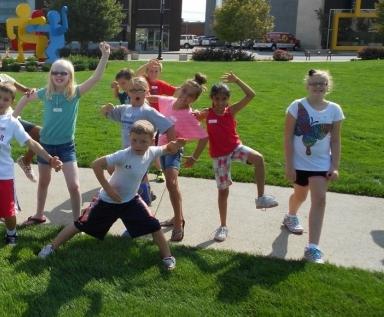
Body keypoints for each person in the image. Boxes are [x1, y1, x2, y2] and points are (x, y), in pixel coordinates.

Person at [38, 120, 185, 270]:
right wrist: (108, 189)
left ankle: (167, 256)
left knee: (154, 225)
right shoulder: (123, 155)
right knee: (80, 224)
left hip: (130, 201)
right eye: (134, 140)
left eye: (143, 141)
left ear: (152, 140)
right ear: (130, 137)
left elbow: (166, 148)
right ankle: (51, 247)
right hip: (107, 201)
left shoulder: (152, 152)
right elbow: (96, 164)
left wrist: (173, 146)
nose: (138, 145)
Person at [13, 42, 111, 225]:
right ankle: (39, 215)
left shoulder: (74, 93)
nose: (59, 75)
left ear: (70, 76)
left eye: (63, 73)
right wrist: (12, 119)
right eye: (55, 72)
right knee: (43, 183)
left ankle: (76, 222)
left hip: (66, 147)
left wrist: (105, 56)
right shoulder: (45, 93)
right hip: (45, 146)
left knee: (74, 186)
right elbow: (25, 98)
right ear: (50, 75)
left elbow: (95, 78)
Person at [195, 72, 278, 242]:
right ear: (212, 98)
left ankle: (261, 198)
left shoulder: (230, 111)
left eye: (224, 99)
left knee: (259, 159)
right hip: (219, 156)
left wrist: (237, 80)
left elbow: (251, 95)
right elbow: (190, 118)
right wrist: (194, 115)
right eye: (217, 99)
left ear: (228, 100)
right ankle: (223, 226)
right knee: (223, 191)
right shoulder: (206, 114)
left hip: (235, 148)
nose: (220, 103)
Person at [284, 69, 344, 263]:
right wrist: (289, 165)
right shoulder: (297, 106)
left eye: (322, 83)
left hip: (321, 164)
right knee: (300, 195)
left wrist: (334, 166)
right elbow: (288, 137)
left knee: (319, 200)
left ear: (328, 87)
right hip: (299, 163)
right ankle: (291, 215)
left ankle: (313, 247)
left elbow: (335, 140)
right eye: (314, 83)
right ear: (307, 86)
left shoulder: (334, 109)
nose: (318, 86)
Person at [147, 73, 209, 242]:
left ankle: (178, 223)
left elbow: (204, 138)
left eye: (190, 95)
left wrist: (194, 158)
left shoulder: (189, 116)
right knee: (170, 184)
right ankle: (176, 217)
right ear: (180, 90)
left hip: (174, 152)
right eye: (183, 92)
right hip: (161, 149)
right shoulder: (169, 102)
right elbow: (149, 97)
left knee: (172, 184)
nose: (184, 97)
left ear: (193, 99)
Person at [0, 83, 62, 245]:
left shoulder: (12, 123)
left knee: (7, 211)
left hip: (3, 174)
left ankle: (11, 233)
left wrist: (49, 159)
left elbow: (32, 144)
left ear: (11, 102)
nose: (1, 102)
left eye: (5, 99)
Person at [135, 59, 178, 183]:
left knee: (152, 144)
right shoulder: (144, 81)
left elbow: (176, 91)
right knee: (144, 144)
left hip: (156, 120)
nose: (153, 73)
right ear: (147, 71)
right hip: (142, 117)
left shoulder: (161, 84)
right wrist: (146, 65)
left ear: (159, 72)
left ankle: (157, 170)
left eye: (156, 71)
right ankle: (144, 170)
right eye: (150, 70)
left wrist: (192, 88)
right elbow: (136, 75)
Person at [0, 73, 40, 182]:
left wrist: (32, 90)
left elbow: (25, 89)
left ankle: (25, 161)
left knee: (40, 133)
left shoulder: (5, 77)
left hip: (12, 119)